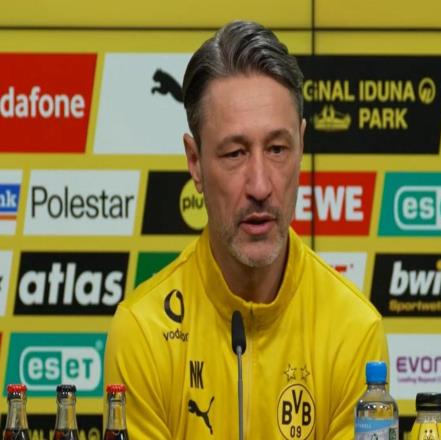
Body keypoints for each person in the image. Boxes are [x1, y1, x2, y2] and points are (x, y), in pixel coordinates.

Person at [104, 20, 388, 439]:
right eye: (235, 153)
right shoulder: (143, 332)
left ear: (301, 149)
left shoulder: (354, 329)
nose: (259, 185)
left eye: (277, 149)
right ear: (195, 163)